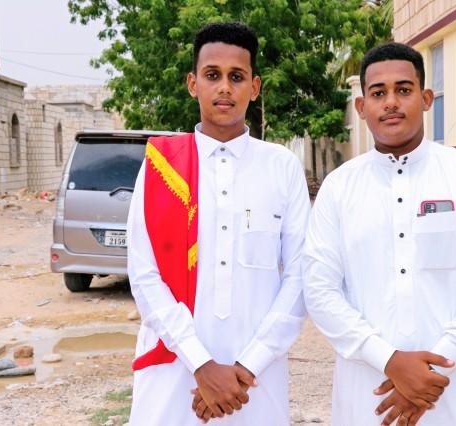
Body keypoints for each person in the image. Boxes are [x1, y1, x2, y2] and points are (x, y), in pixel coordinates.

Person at [302, 42, 456, 426]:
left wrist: (433, 368)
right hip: (371, 388)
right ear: (361, 106)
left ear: (426, 98)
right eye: (378, 93)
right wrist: (389, 361)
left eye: (403, 90)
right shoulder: (339, 188)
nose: (391, 102)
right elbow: (320, 291)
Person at [127, 22, 309, 425]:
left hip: (256, 380)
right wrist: (201, 364)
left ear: (254, 87)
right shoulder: (161, 166)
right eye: (213, 75)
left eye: (236, 76)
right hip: (174, 371)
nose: (224, 87)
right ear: (193, 83)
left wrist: (247, 367)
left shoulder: (282, 167)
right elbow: (143, 274)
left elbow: (300, 276)